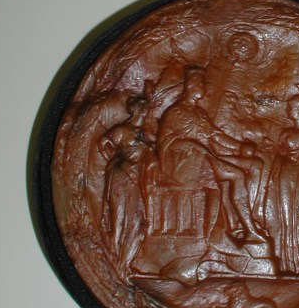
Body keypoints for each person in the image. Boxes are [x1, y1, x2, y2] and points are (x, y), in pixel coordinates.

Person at [156, 67, 266, 243]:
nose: (204, 88)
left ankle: (237, 224)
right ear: (190, 86)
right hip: (183, 164)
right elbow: (164, 143)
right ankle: (246, 229)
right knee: (236, 175)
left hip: (204, 159)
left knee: (252, 165)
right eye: (201, 84)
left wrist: (240, 146)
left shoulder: (199, 113)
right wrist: (187, 144)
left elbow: (215, 135)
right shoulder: (175, 113)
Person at [96, 96, 153, 276]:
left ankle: (125, 265)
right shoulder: (122, 130)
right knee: (118, 221)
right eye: (144, 110)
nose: (146, 113)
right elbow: (103, 143)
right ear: (137, 111)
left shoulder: (143, 133)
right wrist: (116, 160)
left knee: (139, 223)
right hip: (122, 178)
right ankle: (114, 263)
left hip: (137, 181)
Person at [265, 95, 299, 275]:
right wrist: (271, 179)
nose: (288, 111)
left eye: (291, 108)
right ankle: (288, 263)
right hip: (286, 174)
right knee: (286, 216)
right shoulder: (285, 134)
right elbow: (279, 157)